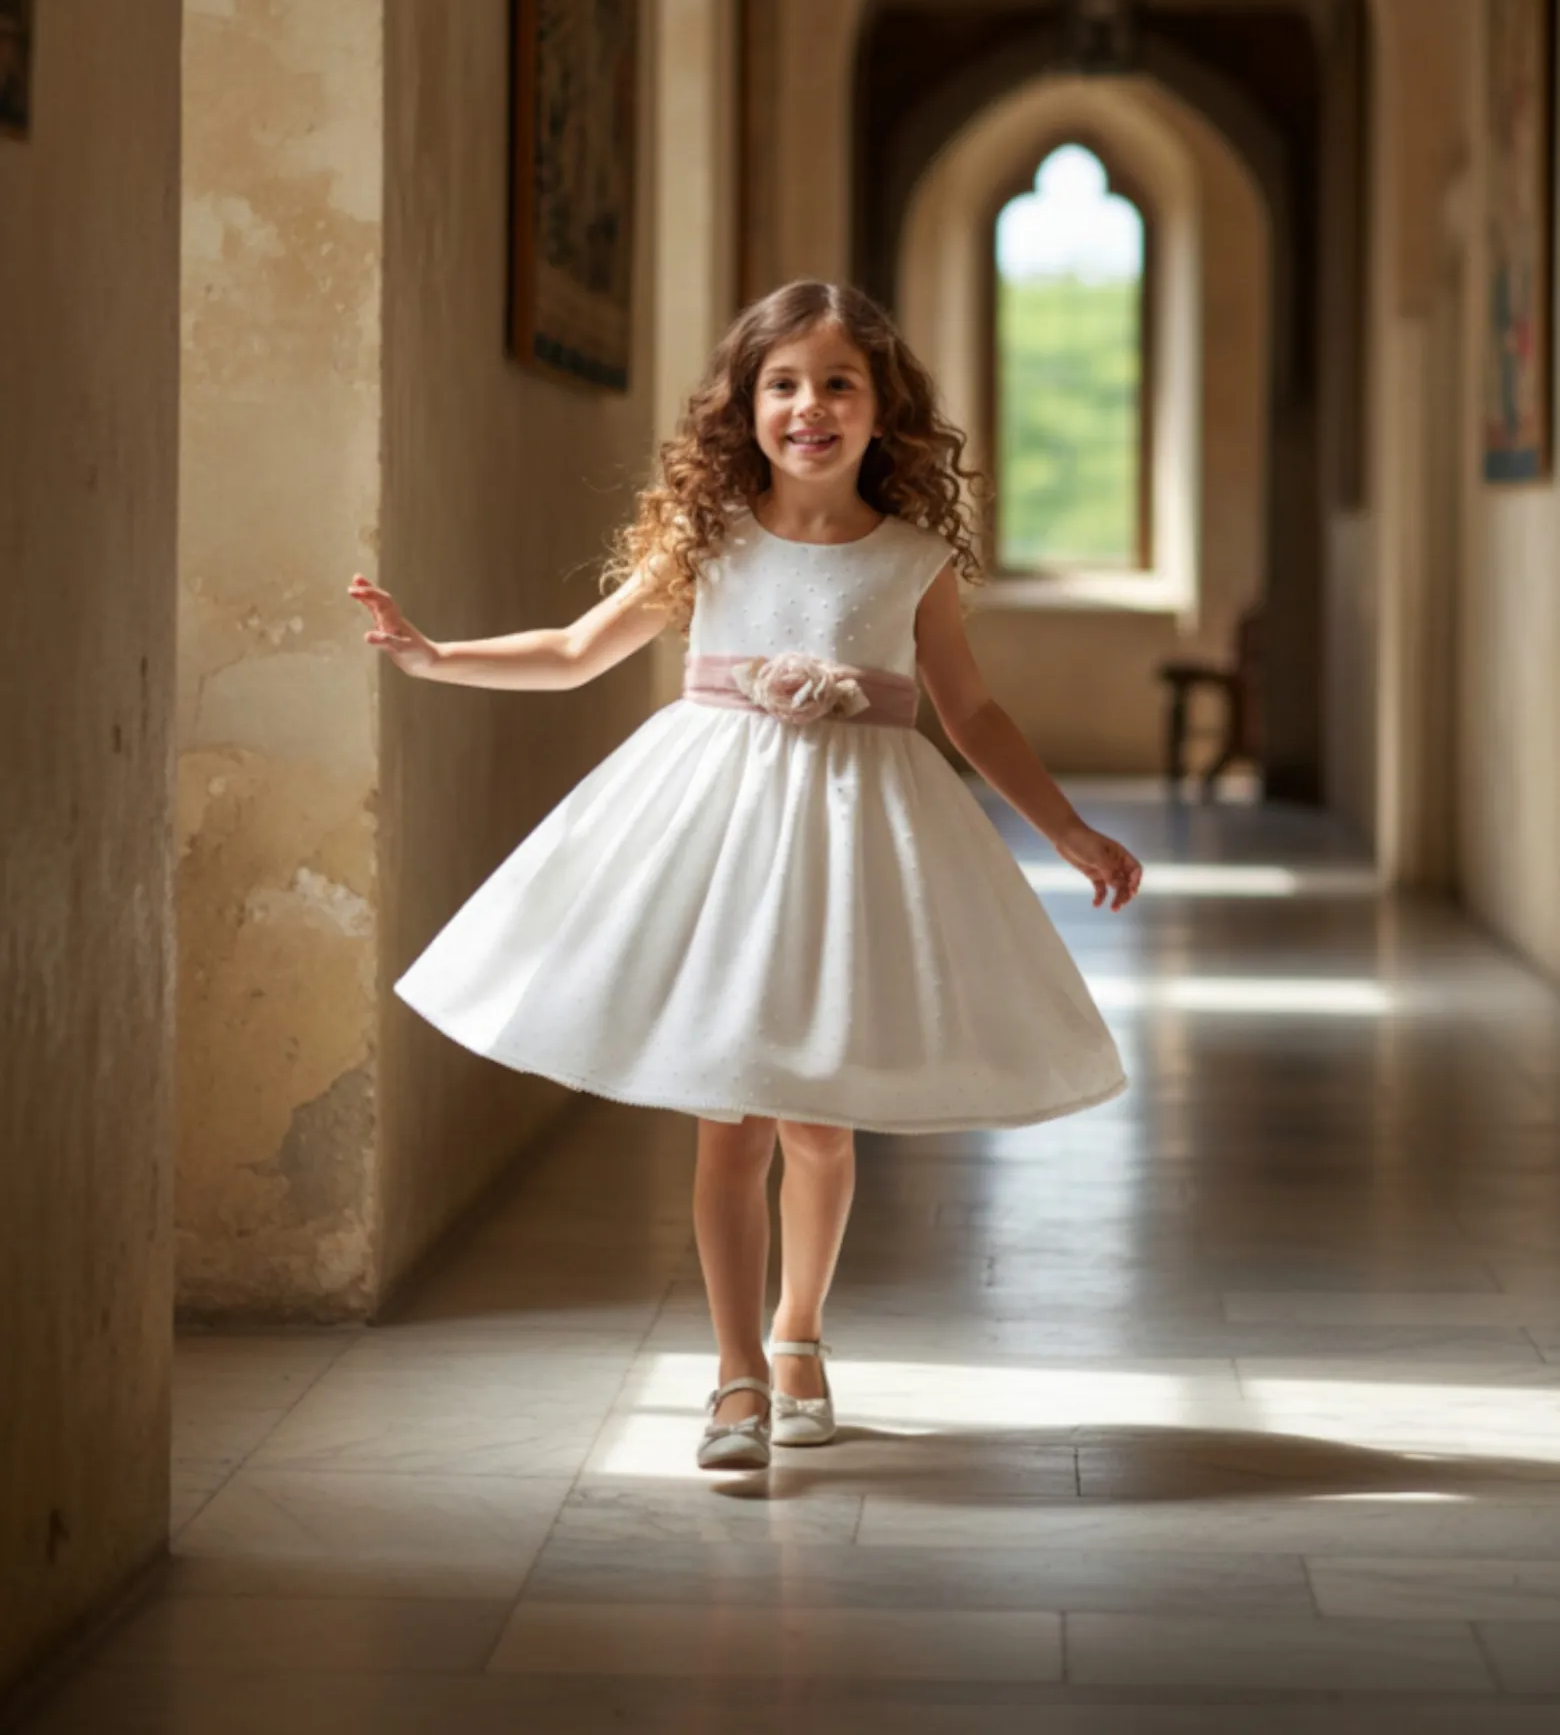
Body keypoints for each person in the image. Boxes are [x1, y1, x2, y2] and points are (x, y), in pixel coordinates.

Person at [349, 279, 1138, 1473]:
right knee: (733, 1124)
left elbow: (968, 709)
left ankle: (800, 1336)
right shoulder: (709, 538)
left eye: (838, 384)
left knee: (820, 1123)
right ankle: (730, 1376)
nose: (808, 407)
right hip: (720, 842)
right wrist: (432, 655)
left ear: (885, 411)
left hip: (856, 843)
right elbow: (574, 653)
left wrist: (1066, 829)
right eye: (783, 384)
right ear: (744, 405)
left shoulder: (913, 558)